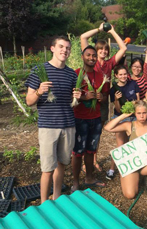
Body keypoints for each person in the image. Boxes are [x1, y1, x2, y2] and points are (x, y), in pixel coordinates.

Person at [25, 36, 81, 203]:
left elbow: (73, 105)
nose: (65, 50)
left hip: (68, 126)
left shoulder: (71, 74)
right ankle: (44, 203)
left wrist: (76, 98)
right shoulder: (39, 70)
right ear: (52, 48)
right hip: (48, 127)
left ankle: (56, 197)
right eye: (61, 47)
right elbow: (29, 101)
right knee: (48, 169)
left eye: (67, 48)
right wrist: (39, 92)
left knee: (62, 164)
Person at [80, 22, 127, 171]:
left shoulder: (109, 64)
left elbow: (123, 48)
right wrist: (99, 29)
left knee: (97, 132)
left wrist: (112, 31)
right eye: (100, 49)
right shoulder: (90, 60)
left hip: (103, 101)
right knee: (85, 130)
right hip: (88, 100)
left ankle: (93, 160)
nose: (103, 52)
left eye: (106, 50)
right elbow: (83, 37)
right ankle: (83, 161)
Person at [104, 100, 147, 199]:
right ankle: (131, 176)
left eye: (144, 113)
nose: (141, 116)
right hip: (132, 164)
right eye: (139, 113)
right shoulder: (129, 125)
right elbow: (108, 128)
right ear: (135, 113)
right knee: (130, 195)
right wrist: (124, 115)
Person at [71, 45, 108, 192]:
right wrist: (84, 97)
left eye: (94, 55)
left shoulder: (100, 75)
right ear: (82, 57)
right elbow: (71, 97)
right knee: (78, 151)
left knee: (91, 150)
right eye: (88, 55)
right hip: (80, 118)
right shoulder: (76, 75)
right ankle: (75, 182)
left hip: (96, 118)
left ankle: (89, 178)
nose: (92, 58)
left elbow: (105, 98)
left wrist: (101, 97)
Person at [106, 65, 140, 180]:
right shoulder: (113, 90)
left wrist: (134, 104)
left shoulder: (133, 84)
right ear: (116, 76)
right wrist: (116, 99)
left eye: (125, 74)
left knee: (133, 144)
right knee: (120, 144)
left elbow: (138, 101)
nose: (123, 76)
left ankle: (132, 168)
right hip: (121, 117)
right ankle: (112, 169)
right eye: (120, 74)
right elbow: (119, 110)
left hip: (134, 117)